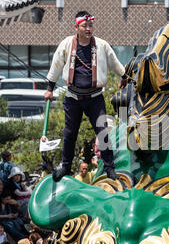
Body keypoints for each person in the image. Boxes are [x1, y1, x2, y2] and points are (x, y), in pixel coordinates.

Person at [44, 10, 128, 182]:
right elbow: (56, 64)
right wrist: (49, 88)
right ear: (76, 27)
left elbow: (115, 63)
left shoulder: (102, 45)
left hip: (95, 98)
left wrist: (124, 77)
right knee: (69, 134)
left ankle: (110, 168)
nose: (88, 29)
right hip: (73, 98)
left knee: (103, 132)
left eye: (90, 26)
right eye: (84, 26)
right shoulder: (67, 44)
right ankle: (65, 166)